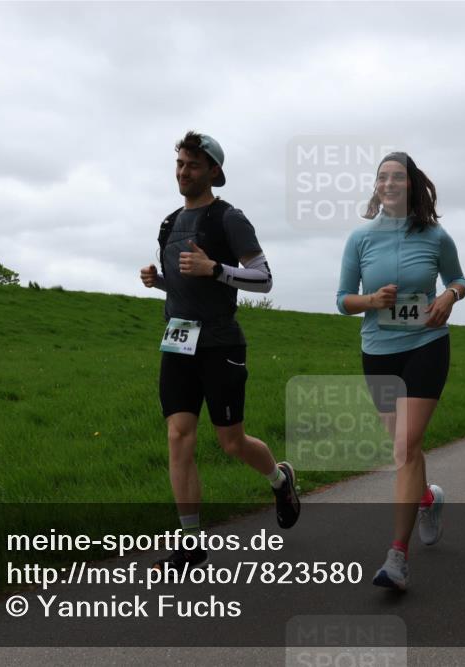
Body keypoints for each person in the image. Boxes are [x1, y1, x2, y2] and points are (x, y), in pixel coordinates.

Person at [140, 131, 300, 570]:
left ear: (213, 170)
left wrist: (216, 269)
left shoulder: (230, 218)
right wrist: (160, 282)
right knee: (178, 437)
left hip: (221, 344)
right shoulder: (169, 223)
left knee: (230, 442)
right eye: (179, 164)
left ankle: (278, 478)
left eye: (192, 165)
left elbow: (263, 277)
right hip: (177, 342)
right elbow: (186, 284)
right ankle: (190, 544)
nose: (183, 172)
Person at [335, 151, 465, 591]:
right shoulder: (359, 238)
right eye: (382, 178)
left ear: (411, 186)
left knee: (405, 447)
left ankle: (397, 557)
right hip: (379, 351)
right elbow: (342, 299)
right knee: (403, 445)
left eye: (397, 177)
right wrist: (370, 302)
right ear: (376, 187)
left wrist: (448, 295)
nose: (389, 183)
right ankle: (428, 500)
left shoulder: (435, 236)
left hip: (427, 345)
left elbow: (459, 279)